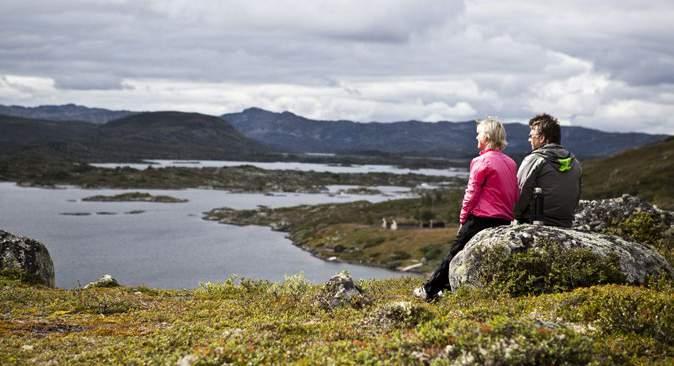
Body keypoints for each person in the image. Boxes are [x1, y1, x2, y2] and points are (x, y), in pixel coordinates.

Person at [414, 117, 518, 301]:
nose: (476, 138)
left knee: (455, 253)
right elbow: (514, 193)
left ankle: (429, 291)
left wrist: (463, 220)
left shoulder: (481, 162)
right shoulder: (511, 163)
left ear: (486, 137)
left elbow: (471, 194)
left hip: (481, 219)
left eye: (478, 134)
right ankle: (446, 290)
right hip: (504, 220)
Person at [514, 113, 582, 227]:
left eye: (531, 136)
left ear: (542, 138)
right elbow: (577, 195)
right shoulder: (575, 163)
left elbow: (520, 192)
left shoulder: (534, 159)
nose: (529, 139)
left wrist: (515, 217)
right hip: (565, 224)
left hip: (536, 222)